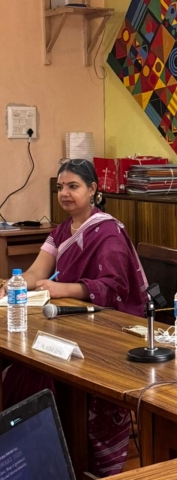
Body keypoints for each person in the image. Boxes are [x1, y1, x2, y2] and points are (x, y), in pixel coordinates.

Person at [0, 159, 148, 477]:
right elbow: (35, 274)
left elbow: (113, 288)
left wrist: (59, 288)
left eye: (73, 186)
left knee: (38, 374)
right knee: (21, 367)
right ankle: (31, 457)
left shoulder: (108, 231)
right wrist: (10, 285)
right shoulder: (61, 231)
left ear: (93, 190)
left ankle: (67, 458)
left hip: (104, 328)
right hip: (66, 321)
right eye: (60, 187)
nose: (64, 193)